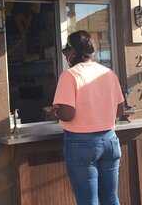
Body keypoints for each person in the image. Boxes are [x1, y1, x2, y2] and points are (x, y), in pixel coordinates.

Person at [53, 30, 125, 205]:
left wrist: (56, 111)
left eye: (66, 52)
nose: (65, 56)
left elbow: (68, 114)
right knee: (110, 197)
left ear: (73, 52)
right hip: (110, 140)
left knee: (88, 201)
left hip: (81, 144)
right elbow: (120, 110)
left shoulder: (69, 75)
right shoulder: (108, 73)